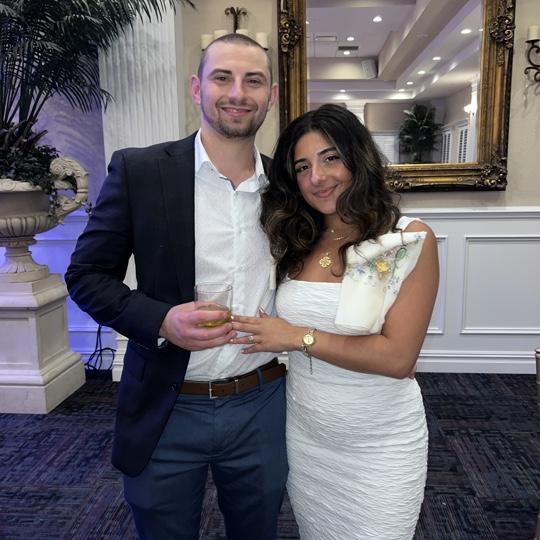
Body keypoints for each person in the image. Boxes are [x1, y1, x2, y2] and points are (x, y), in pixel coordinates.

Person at [65, 34, 288, 540]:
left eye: (253, 80)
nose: (238, 93)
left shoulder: (287, 188)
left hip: (262, 404)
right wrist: (161, 320)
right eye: (222, 77)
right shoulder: (140, 170)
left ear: (271, 95)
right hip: (166, 404)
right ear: (196, 88)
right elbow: (86, 275)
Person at [230, 104, 439, 539]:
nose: (317, 178)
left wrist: (297, 337)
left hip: (379, 442)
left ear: (357, 158)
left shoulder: (404, 238)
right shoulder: (297, 239)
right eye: (302, 167)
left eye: (330, 159)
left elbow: (397, 358)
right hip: (307, 435)